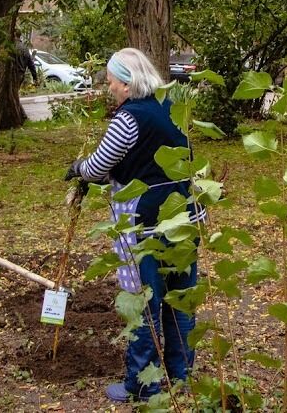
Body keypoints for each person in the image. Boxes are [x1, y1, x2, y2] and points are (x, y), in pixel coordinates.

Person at [65, 48, 205, 403]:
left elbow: (99, 167)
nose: (108, 85)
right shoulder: (171, 108)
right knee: (180, 297)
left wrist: (79, 168)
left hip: (147, 223)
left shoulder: (128, 119)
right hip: (187, 216)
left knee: (144, 301)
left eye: (111, 78)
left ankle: (142, 386)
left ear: (126, 83)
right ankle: (181, 375)